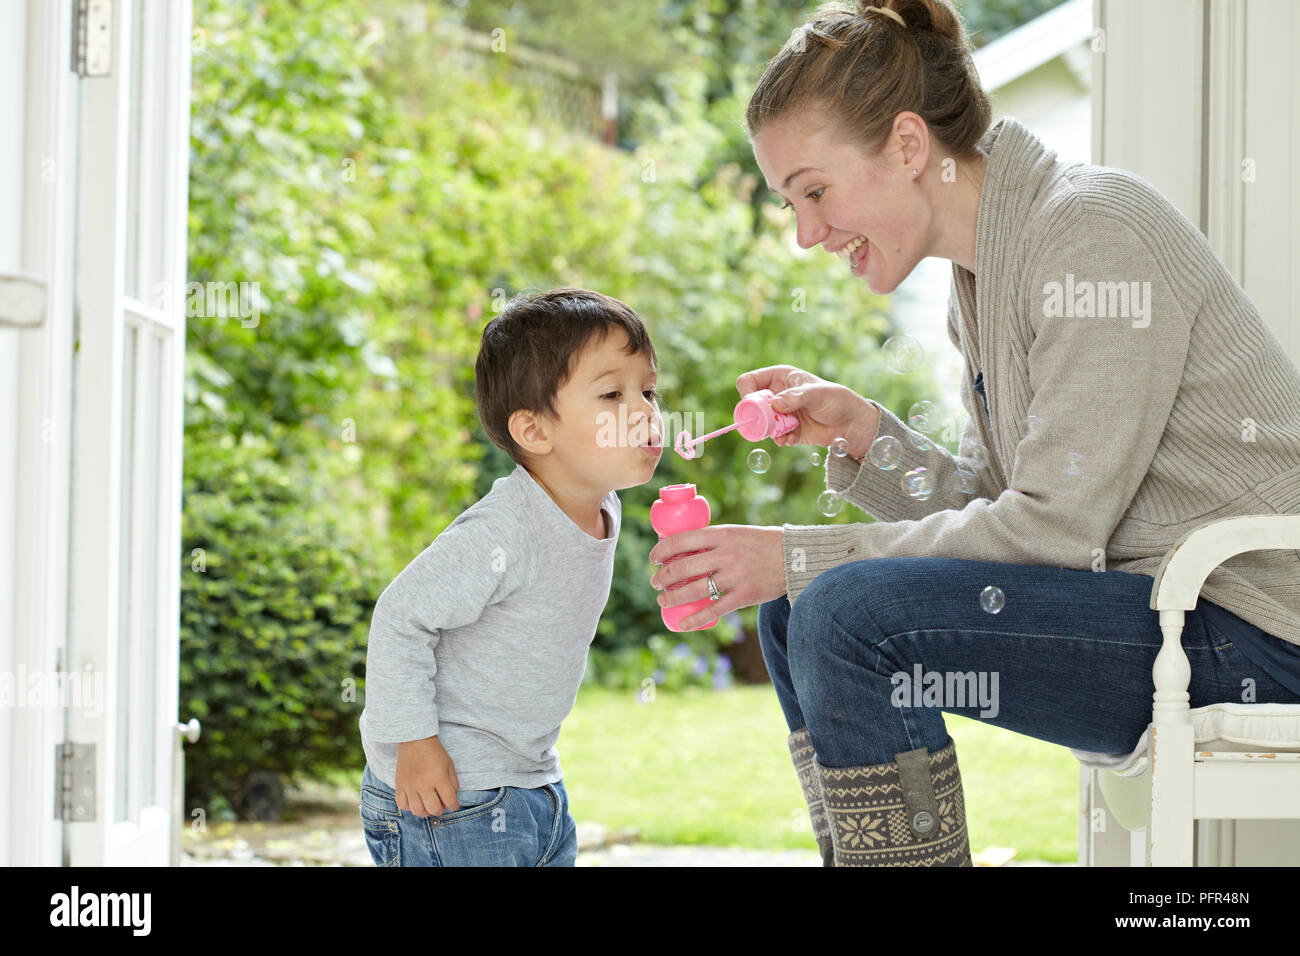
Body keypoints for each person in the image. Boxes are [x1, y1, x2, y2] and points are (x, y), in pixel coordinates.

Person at [649, 0, 1300, 867]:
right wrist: (869, 439)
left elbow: (1049, 538)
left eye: (815, 191)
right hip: (1166, 612)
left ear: (909, 146)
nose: (807, 233)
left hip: (1254, 630)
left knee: (840, 606)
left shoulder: (1091, 236)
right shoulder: (986, 276)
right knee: (795, 607)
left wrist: (797, 553)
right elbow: (1006, 515)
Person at [357, 288, 664, 866]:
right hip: (451, 794)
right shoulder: (504, 530)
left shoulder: (603, 507)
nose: (646, 411)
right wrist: (415, 746)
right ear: (535, 432)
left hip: (530, 781)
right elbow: (400, 616)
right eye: (612, 394)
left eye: (648, 391)